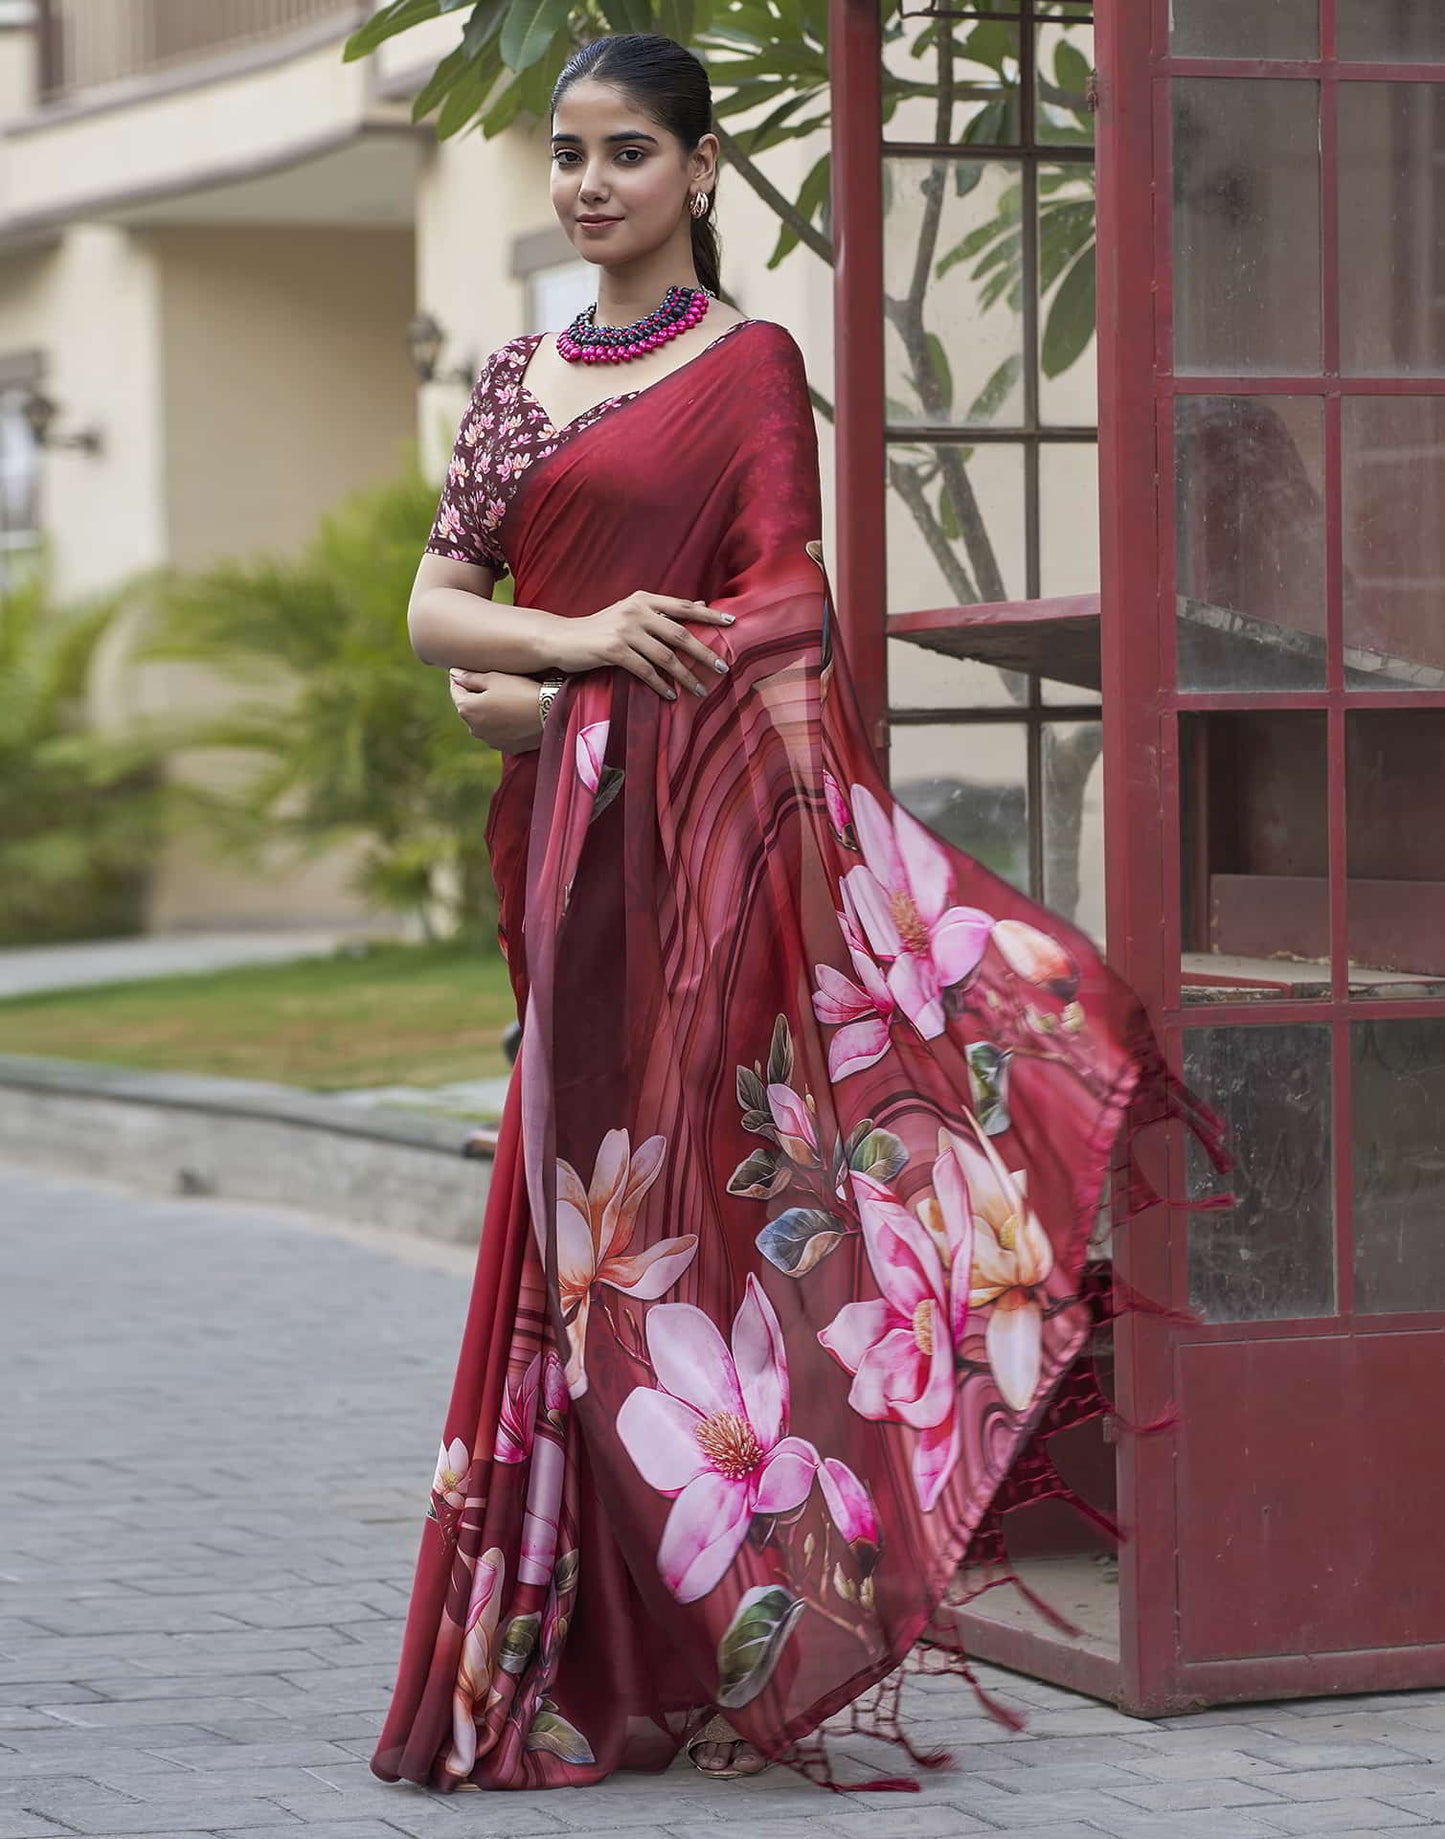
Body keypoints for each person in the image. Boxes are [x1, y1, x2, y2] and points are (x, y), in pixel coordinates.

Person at [368, 30, 1223, 1796]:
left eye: (624, 153)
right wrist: (578, 652)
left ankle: (721, 1614)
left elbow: (781, 618)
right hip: (566, 863)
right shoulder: (522, 379)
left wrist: (581, 695)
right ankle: (570, 1640)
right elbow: (437, 613)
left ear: (695, 174)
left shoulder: (747, 365)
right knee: (584, 1223)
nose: (589, 183)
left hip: (706, 856)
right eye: (568, 154)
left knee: (701, 1218)